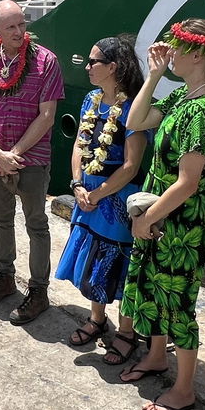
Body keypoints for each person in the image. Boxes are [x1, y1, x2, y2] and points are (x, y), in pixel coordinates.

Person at [117, 19, 205, 410]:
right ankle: (156, 357)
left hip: (177, 221)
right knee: (153, 289)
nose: (168, 52)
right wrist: (152, 76)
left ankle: (184, 389)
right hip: (159, 213)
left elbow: (187, 183)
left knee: (178, 302)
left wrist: (146, 217)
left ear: (199, 55)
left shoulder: (202, 110)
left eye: (175, 47)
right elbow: (134, 121)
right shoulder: (182, 96)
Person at [0, 0, 65, 325]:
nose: (19, 31)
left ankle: (38, 290)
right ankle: (6, 276)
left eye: (22, 24)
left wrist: (15, 154)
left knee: (36, 225)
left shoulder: (45, 61)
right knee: (2, 221)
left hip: (32, 160)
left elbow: (47, 115)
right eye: (11, 26)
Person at [56, 36, 146, 356]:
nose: (88, 66)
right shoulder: (91, 99)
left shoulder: (134, 108)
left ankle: (126, 330)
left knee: (118, 259)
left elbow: (132, 165)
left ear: (113, 67)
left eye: (94, 62)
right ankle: (96, 319)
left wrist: (98, 194)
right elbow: (80, 146)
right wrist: (78, 185)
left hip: (117, 195)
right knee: (92, 256)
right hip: (87, 192)